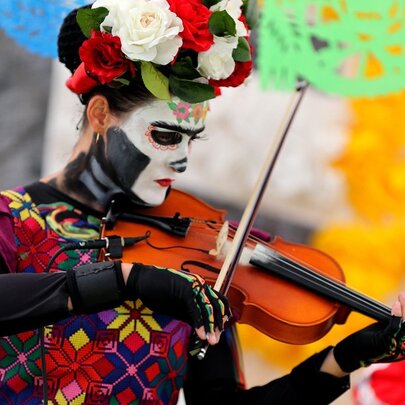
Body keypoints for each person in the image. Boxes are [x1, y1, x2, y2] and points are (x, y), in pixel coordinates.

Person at [1, 1, 405, 404]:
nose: (181, 160)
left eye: (191, 139)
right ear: (101, 113)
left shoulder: (203, 267)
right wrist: (127, 279)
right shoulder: (14, 219)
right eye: (165, 136)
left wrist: (345, 358)